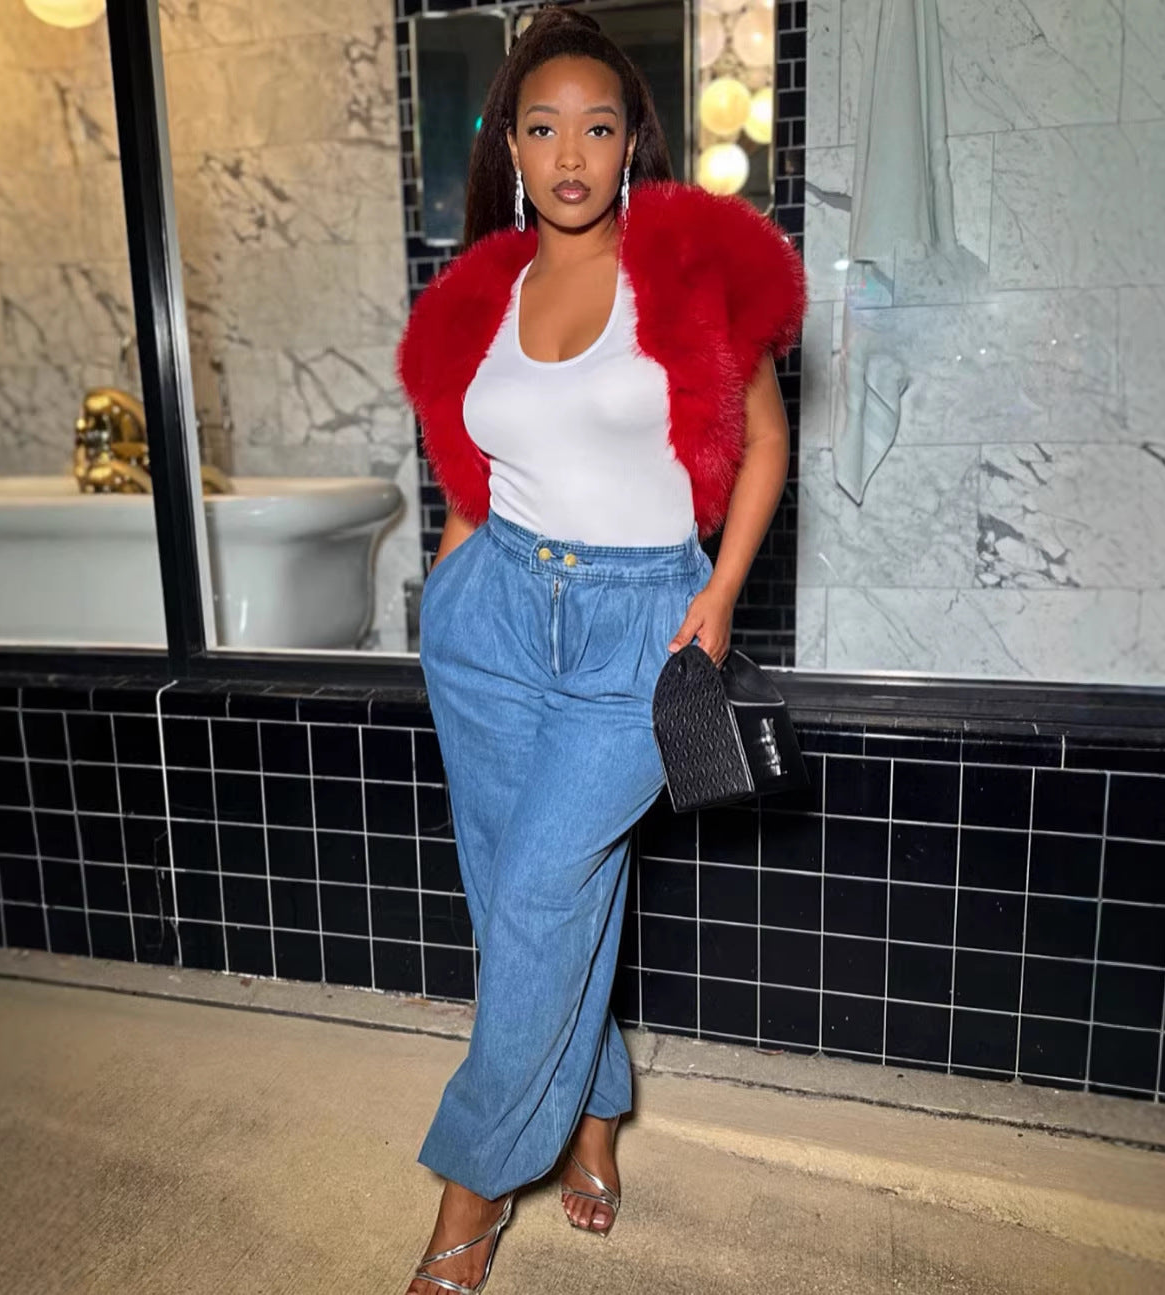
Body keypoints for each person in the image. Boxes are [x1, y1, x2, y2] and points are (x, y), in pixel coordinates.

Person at [394, 6, 805, 1290]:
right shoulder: (480, 292)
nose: (567, 153)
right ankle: (593, 1108)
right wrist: (448, 587)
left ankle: (469, 1192)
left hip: (640, 621)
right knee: (517, 891)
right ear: (508, 147)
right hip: (491, 619)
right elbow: (473, 469)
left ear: (632, 143)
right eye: (540, 127)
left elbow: (765, 439)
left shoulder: (684, 270)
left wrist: (720, 590)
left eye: (596, 127)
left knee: (537, 891)